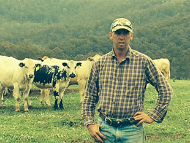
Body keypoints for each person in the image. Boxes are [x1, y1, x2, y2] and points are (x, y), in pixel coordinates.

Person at [81, 18, 173, 143]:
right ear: (111, 35)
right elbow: (89, 97)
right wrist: (89, 124)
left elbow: (166, 90)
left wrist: (153, 115)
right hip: (105, 130)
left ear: (131, 36)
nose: (121, 37)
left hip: (132, 130)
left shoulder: (143, 62)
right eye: (118, 33)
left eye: (125, 33)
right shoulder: (100, 64)